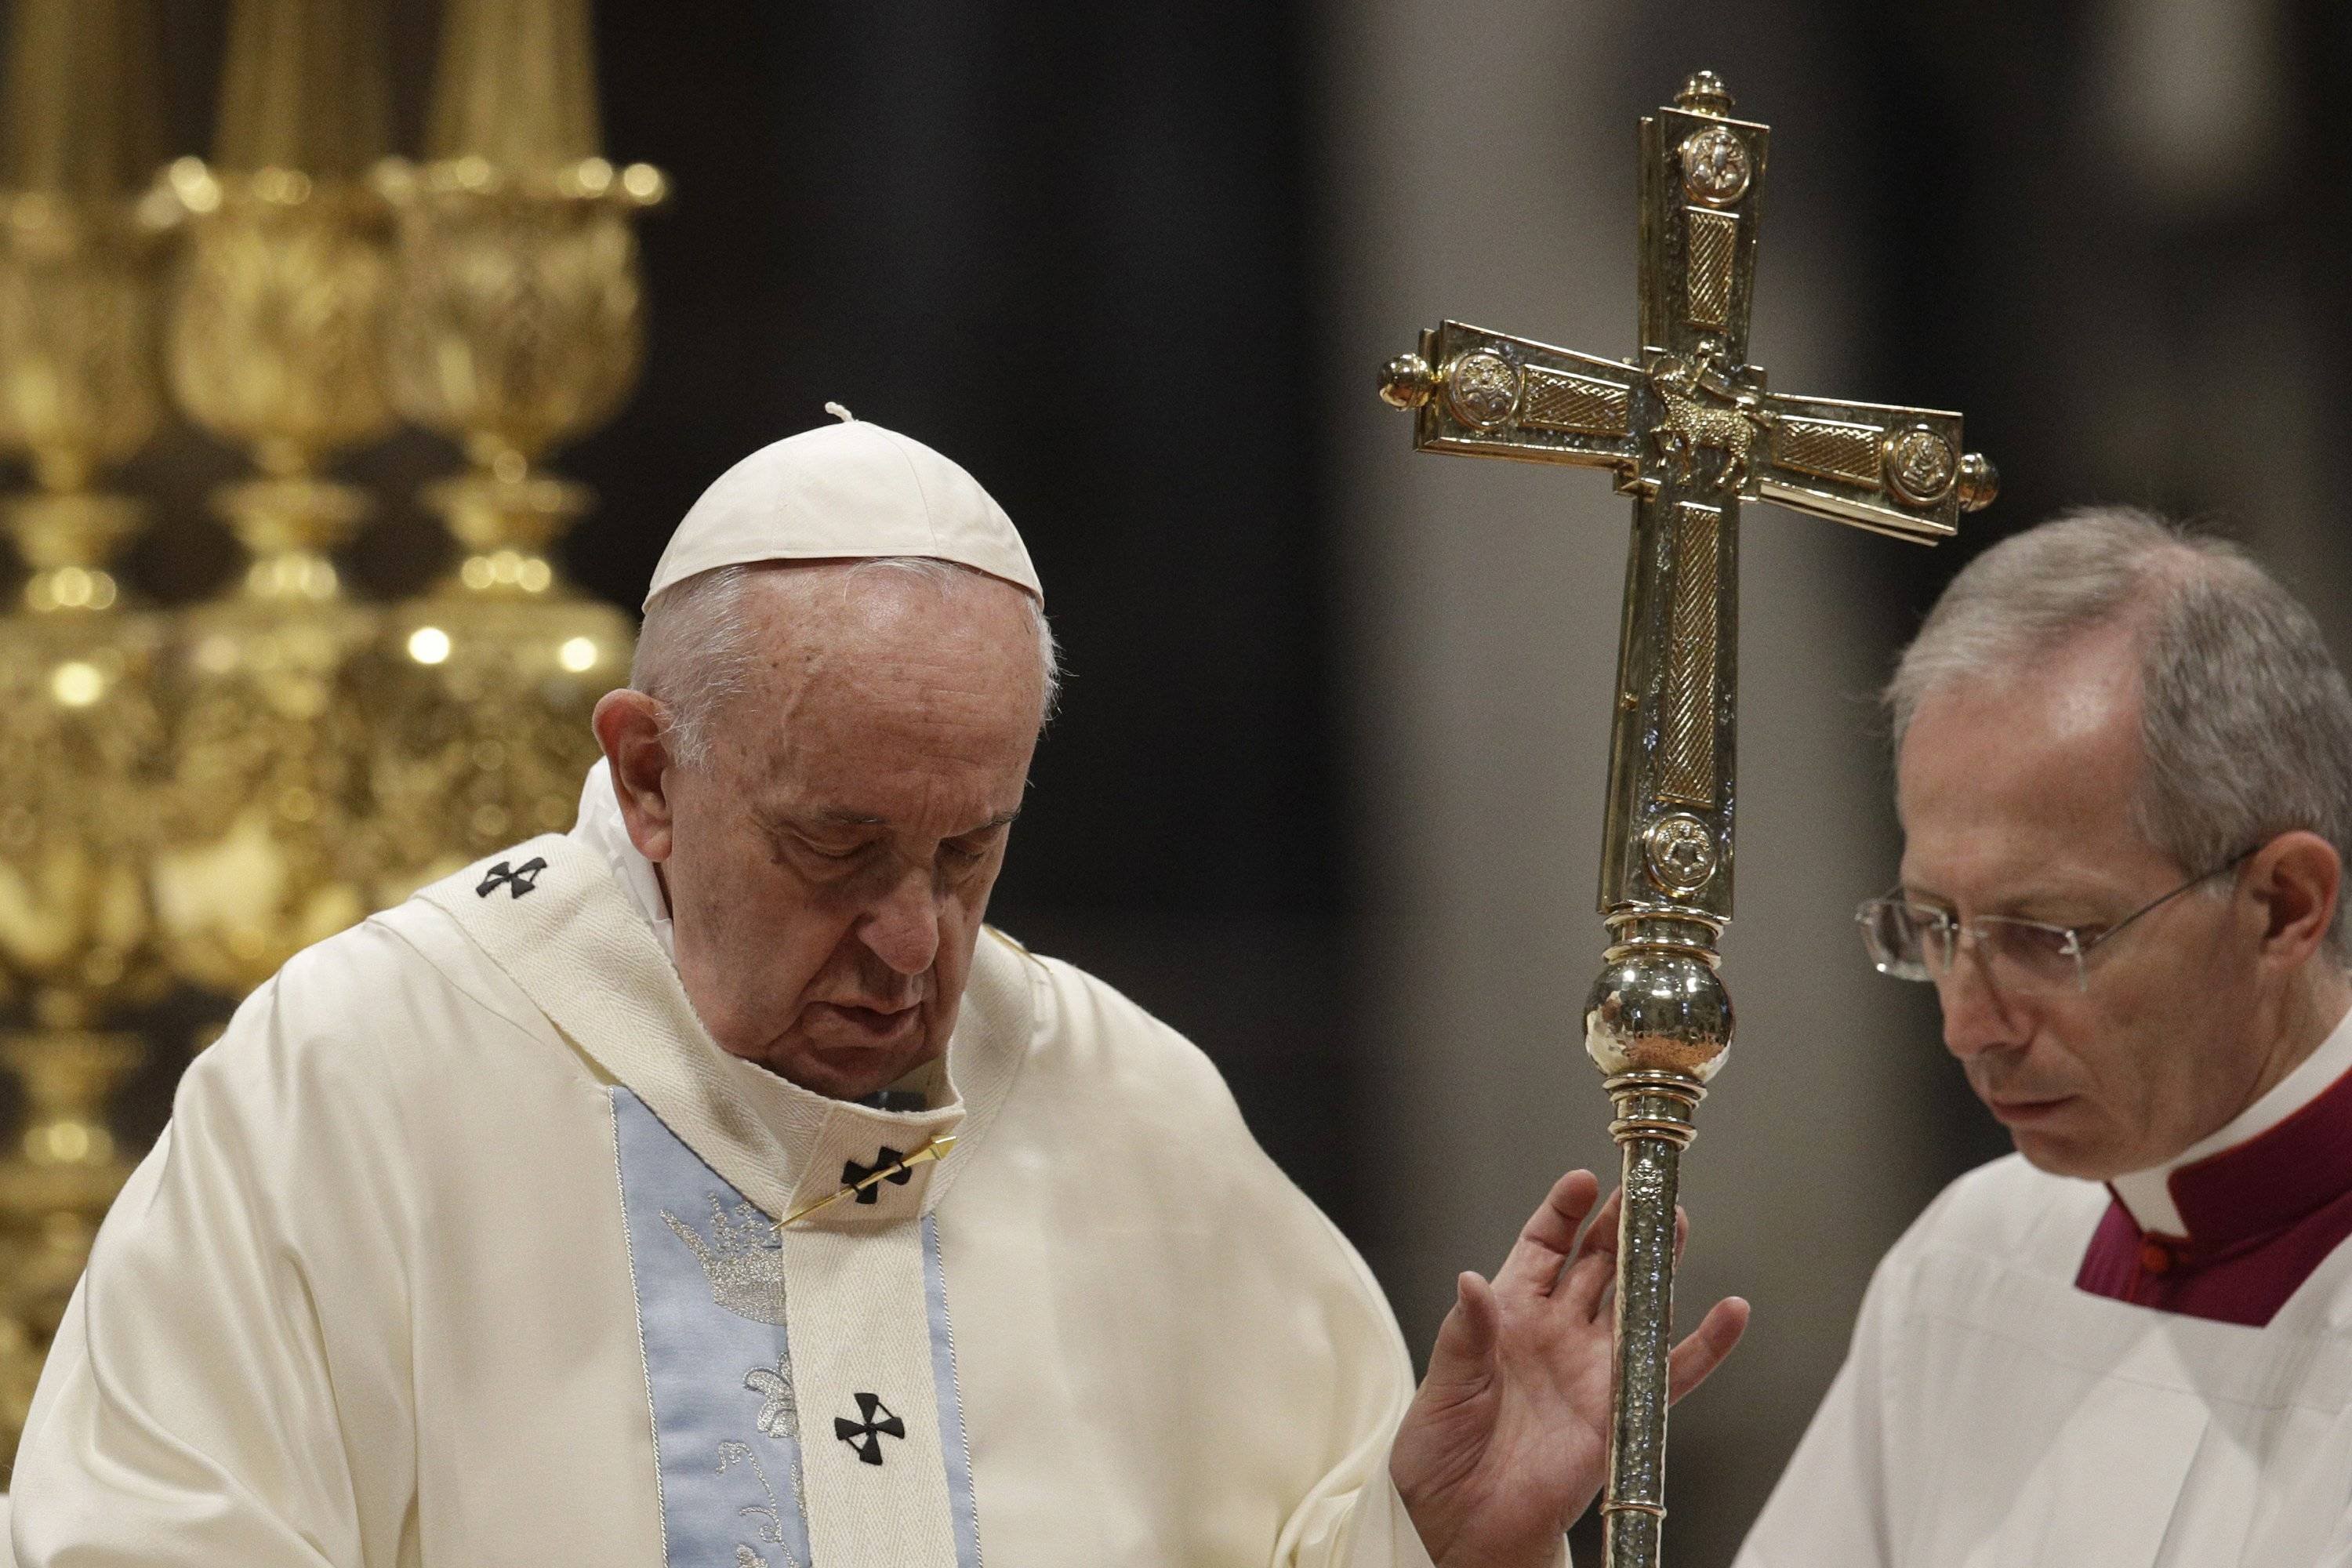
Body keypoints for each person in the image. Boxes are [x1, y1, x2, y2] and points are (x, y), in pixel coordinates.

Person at [11, 412, 1745, 1568]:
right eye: (838, 850)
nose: (917, 942)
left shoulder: (1126, 1107)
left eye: (968, 852)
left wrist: (1420, 1537)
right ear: (649, 777)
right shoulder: (365, 1073)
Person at [1737, 507, 2352, 1566]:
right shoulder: (1966, 1262)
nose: (1968, 1026)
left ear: (2283, 906)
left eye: (2049, 935)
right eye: (1935, 927)